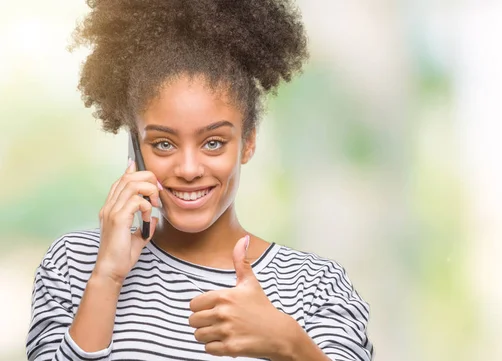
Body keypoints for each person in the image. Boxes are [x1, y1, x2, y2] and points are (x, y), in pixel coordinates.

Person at [25, 0, 374, 360]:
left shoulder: (315, 285)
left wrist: (287, 343)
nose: (189, 169)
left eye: (213, 142)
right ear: (135, 144)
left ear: (248, 141)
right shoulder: (74, 263)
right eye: (163, 143)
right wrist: (107, 279)